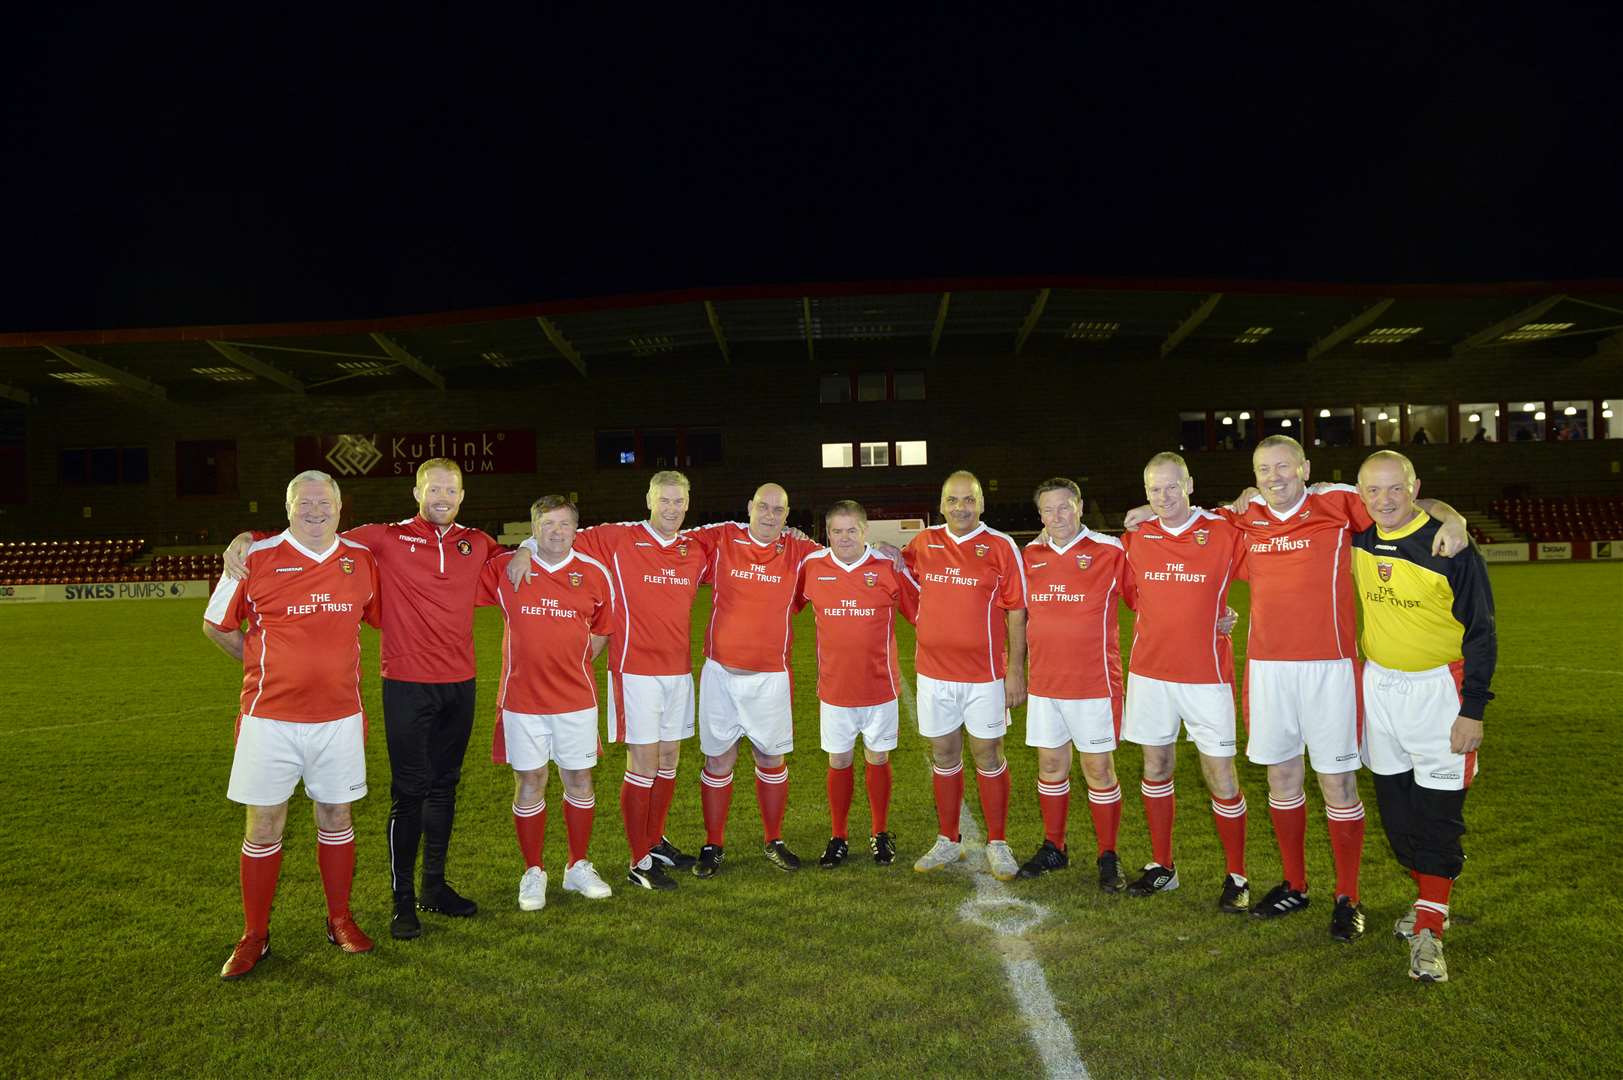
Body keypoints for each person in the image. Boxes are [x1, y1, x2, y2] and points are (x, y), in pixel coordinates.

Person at [1128, 434, 1468, 941]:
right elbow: (1185, 520)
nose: (1275, 478)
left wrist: (1455, 518)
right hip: (1267, 669)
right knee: (1282, 780)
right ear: (1254, 475)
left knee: (1337, 784)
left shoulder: (1336, 503)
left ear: (1305, 467)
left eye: (1284, 467)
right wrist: (1143, 510)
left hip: (1329, 668)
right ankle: (1295, 882)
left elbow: (1404, 503)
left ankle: (1347, 896)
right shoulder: (1243, 517)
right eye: (1264, 470)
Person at [226, 458, 500, 939]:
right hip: (404, 682)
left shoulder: (477, 543)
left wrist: (525, 553)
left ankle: (433, 886)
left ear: (462, 495)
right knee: (410, 791)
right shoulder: (381, 538)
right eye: (433, 488)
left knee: (446, 788)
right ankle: (402, 901)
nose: (442, 496)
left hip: (462, 682)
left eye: (451, 490)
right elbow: (315, 530)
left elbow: (517, 562)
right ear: (417, 493)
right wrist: (247, 536)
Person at [204, 470, 382, 979]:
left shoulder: (362, 560)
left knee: (337, 817)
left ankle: (340, 919)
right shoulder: (253, 558)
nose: (315, 511)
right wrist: (260, 661)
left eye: (324, 502)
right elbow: (216, 626)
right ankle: (254, 934)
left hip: (339, 718)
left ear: (341, 506)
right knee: (264, 825)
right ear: (287, 508)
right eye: (304, 503)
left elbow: (378, 616)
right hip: (269, 720)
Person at [510, 470, 710, 890]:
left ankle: (655, 841)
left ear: (688, 504)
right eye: (663, 500)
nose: (671, 508)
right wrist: (525, 548)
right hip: (634, 670)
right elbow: (558, 536)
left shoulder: (695, 548)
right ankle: (638, 861)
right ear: (649, 500)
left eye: (678, 501)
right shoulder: (618, 538)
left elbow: (739, 539)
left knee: (670, 759)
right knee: (644, 762)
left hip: (679, 671)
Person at [1352, 451, 1495, 982]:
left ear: (1414, 487)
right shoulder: (1359, 533)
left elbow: (1482, 631)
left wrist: (1472, 709)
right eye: (1373, 490)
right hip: (1380, 692)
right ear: (1360, 492)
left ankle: (1430, 927)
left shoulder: (1449, 545)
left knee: (1437, 819)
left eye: (1396, 489)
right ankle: (1431, 899)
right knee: (1397, 820)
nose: (1384, 500)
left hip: (1439, 691)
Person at [1118, 454, 1253, 911]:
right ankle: (1163, 866)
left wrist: (1226, 614)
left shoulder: (1223, 531)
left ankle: (1237, 876)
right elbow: (1129, 595)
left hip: (1205, 676)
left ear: (1190, 484)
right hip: (1150, 674)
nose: (1163, 498)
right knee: (1155, 767)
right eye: (1154, 490)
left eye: (1171, 487)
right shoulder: (1137, 537)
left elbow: (1258, 526)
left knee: (1220, 774)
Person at [477, 495, 616, 909]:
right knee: (530, 781)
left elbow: (603, 630)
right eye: (548, 525)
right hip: (521, 701)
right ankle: (534, 870)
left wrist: (568, 662)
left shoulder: (594, 573)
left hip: (575, 700)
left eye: (565, 524)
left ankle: (577, 866)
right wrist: (521, 551)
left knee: (579, 780)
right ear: (534, 528)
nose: (557, 532)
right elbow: (466, 558)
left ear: (577, 529)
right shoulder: (508, 570)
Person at [684, 483, 825, 876]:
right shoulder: (723, 538)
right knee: (718, 759)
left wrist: (888, 555)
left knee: (771, 758)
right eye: (762, 507)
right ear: (749, 507)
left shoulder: (800, 551)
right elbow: (667, 541)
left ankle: (774, 839)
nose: (769, 515)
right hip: (721, 674)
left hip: (770, 678)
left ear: (787, 514)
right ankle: (713, 843)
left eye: (778, 510)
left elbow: (846, 563)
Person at [904, 470, 1027, 881]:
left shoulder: (1001, 546)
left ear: (982, 504)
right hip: (934, 674)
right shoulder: (923, 543)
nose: (961, 507)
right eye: (953, 500)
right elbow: (900, 576)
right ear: (941, 505)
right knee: (944, 755)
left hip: (985, 676)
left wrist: (1015, 671)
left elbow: (1016, 612)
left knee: (988, 755)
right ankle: (948, 840)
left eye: (969, 500)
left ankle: (997, 841)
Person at [1014, 478, 1131, 889]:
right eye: (1048, 509)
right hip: (1045, 683)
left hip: (1094, 682)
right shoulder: (1030, 554)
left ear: (1079, 506)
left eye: (1064, 507)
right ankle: (1054, 847)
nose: (1056, 516)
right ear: (1040, 514)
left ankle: (1108, 854)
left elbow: (1150, 594)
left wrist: (1218, 617)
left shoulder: (1110, 550)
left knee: (1098, 768)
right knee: (1050, 766)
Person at [794, 500, 920, 868]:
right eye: (836, 530)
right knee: (840, 759)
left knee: (877, 757)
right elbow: (782, 605)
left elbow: (919, 610)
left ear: (865, 531)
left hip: (880, 687)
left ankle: (880, 833)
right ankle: (839, 836)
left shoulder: (886, 567)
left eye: (852, 530)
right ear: (826, 533)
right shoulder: (813, 567)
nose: (844, 537)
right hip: (834, 689)